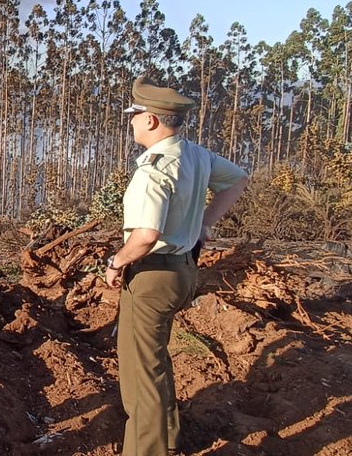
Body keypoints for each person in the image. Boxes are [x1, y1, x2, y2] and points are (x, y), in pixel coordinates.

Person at [103, 76, 249, 456]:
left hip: (153, 275)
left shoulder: (152, 170)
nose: (131, 122)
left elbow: (146, 235)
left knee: (141, 377)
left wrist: (116, 262)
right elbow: (237, 179)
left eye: (133, 116)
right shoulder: (196, 155)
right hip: (183, 270)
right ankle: (167, 440)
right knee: (156, 361)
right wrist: (204, 223)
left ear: (150, 120)